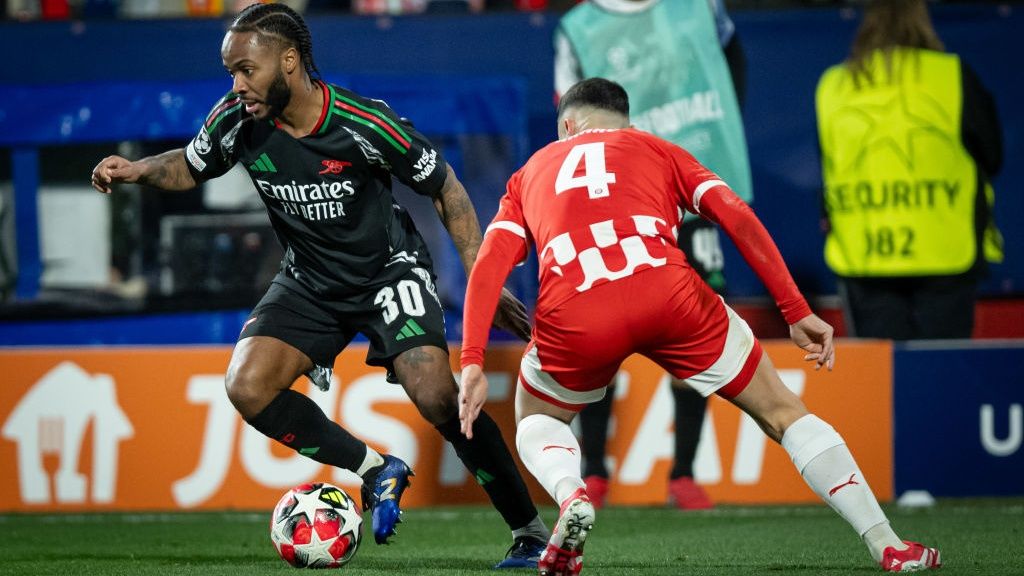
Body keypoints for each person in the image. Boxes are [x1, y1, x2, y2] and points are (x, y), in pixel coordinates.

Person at [89, 3, 550, 568]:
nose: (237, 84)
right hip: (309, 280)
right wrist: (139, 170)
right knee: (247, 385)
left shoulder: (364, 123)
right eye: (230, 71)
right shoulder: (237, 118)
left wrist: (483, 277)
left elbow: (445, 186)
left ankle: (528, 530)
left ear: (289, 61)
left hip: (388, 272)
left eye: (245, 70)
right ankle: (376, 469)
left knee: (434, 393)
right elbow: (191, 164)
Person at [458, 78, 941, 575]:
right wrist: (795, 310)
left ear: (566, 124)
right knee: (782, 412)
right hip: (668, 293)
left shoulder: (531, 171)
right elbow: (735, 214)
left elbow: (491, 263)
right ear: (628, 125)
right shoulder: (659, 150)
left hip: (576, 308)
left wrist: (473, 360)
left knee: (540, 417)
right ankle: (888, 545)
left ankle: (571, 494)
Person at [553, 0, 751, 510]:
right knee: (600, 329)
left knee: (700, 326)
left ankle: (683, 473)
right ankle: (593, 470)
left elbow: (731, 70)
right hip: (615, 203)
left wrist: (715, 142)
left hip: (687, 199)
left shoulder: (700, 8)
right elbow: (567, 110)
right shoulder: (577, 28)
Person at [816, 0, 1003, 340]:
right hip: (946, 254)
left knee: (880, 380)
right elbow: (993, 154)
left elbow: (830, 166)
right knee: (944, 376)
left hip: (865, 257)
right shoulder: (951, 75)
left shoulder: (834, 84)